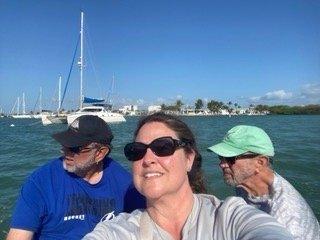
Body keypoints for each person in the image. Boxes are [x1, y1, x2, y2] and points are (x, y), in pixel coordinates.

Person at [84, 112, 293, 240]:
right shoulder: (117, 231)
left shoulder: (230, 217)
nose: (147, 159)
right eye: (136, 150)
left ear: (189, 159)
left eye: (163, 147)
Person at [7, 115, 145, 240]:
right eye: (65, 144)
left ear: (100, 153)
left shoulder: (125, 184)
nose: (65, 152)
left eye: (74, 148)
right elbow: (18, 236)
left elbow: (143, 225)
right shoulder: (40, 182)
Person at [207, 125, 320, 240]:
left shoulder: (285, 217)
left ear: (260, 162)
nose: (222, 164)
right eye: (221, 157)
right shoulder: (243, 183)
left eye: (230, 159)